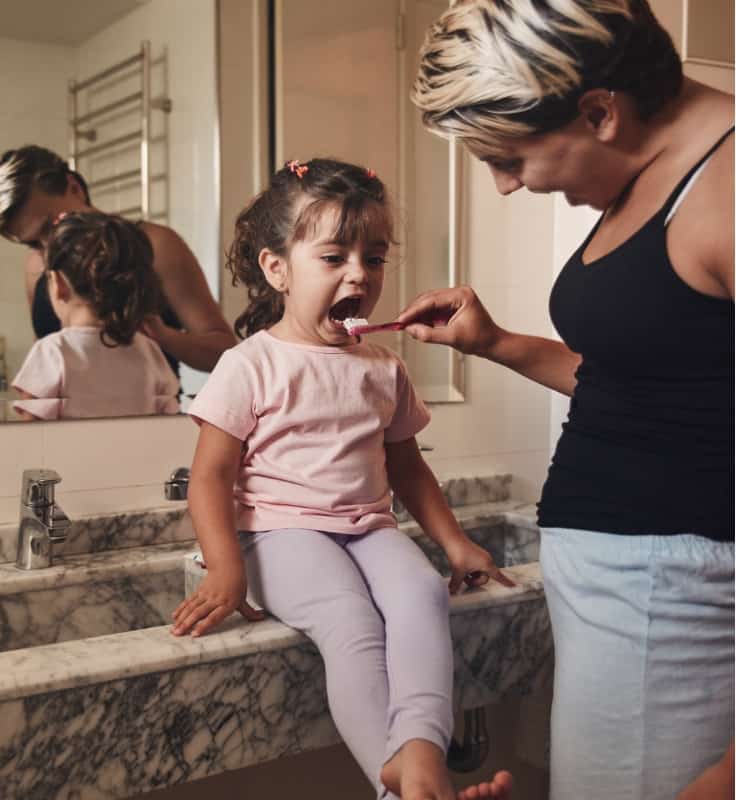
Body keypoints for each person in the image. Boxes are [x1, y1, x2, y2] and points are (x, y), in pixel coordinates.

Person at [403, 2, 734, 799]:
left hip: (672, 601)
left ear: (599, 111)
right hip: (632, 591)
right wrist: (498, 345)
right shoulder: (646, 170)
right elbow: (652, 384)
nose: (506, 185)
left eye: (508, 158)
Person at [169, 158, 514, 800]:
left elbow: (408, 467)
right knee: (350, 620)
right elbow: (210, 478)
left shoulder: (383, 367)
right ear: (277, 269)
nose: (359, 273)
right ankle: (392, 777)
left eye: (374, 258)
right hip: (280, 533)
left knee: (419, 593)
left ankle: (417, 756)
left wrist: (455, 543)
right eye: (333, 257)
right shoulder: (250, 365)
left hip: (366, 527)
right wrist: (224, 567)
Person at [0, 145, 236, 378]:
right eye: (33, 243)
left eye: (51, 225)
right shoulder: (36, 267)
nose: (48, 247)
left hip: (150, 421)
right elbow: (44, 369)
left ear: (74, 188)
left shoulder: (157, 245)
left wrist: (163, 336)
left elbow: (223, 352)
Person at [12, 211, 180, 421]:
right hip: (138, 454)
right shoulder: (149, 351)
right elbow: (169, 422)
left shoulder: (53, 352)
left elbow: (30, 435)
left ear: (58, 284)